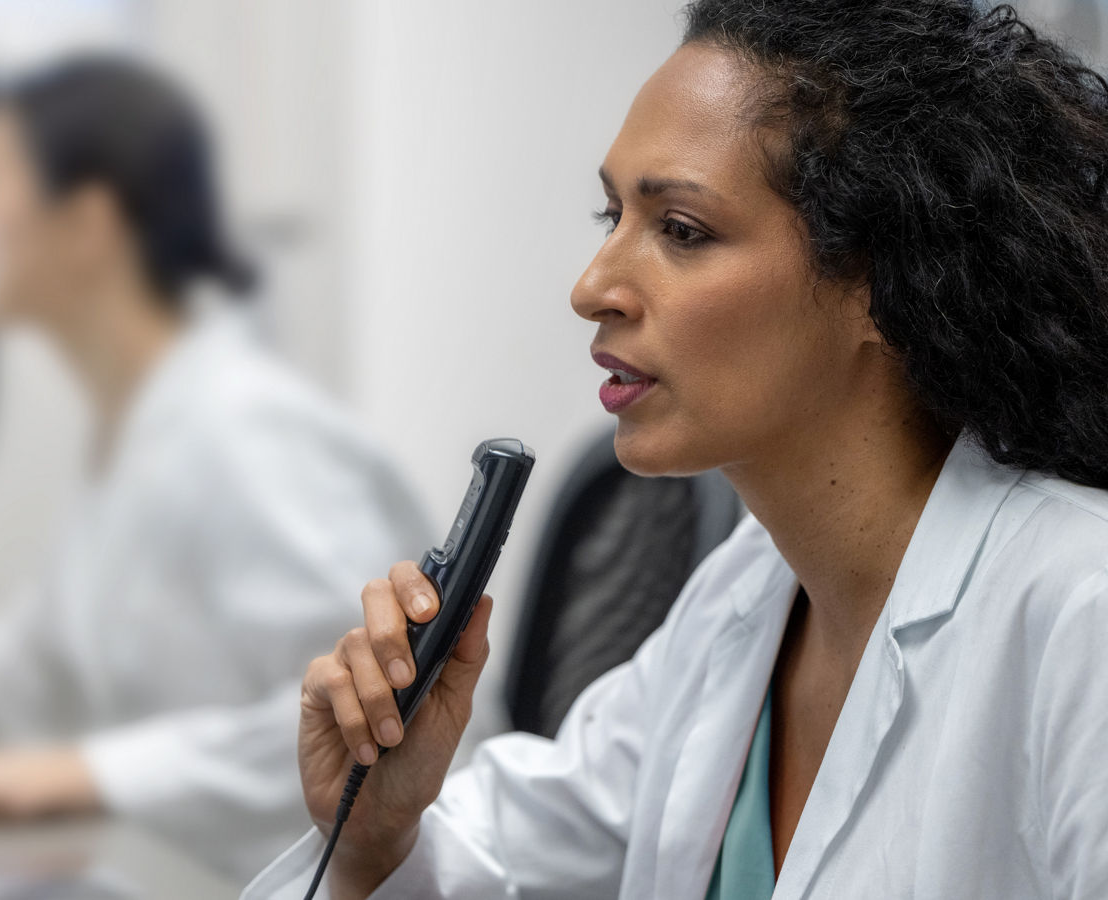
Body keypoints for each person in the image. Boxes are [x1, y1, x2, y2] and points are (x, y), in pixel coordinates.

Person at [243, 1, 1108, 897]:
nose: (593, 288)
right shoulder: (741, 602)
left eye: (682, 231)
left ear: (880, 286)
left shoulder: (1083, 616)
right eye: (610, 216)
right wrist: (376, 834)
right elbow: (511, 853)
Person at [0, 56, 432, 882]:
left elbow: (373, 712)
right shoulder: (140, 425)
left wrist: (81, 776)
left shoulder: (244, 434)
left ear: (85, 224)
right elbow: (37, 649)